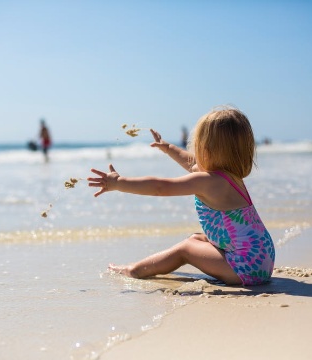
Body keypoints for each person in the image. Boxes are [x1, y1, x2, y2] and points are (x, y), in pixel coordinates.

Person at [88, 106, 275, 286]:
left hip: (245, 268)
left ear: (206, 150)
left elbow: (160, 187)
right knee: (196, 239)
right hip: (261, 258)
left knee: (185, 249)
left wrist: (119, 183)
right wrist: (168, 148)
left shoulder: (209, 182)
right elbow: (192, 163)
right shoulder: (230, 178)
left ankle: (134, 270)